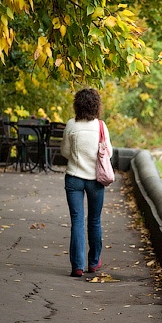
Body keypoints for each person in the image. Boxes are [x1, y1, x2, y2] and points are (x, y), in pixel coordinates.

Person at [59, 87, 111, 277]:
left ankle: (77, 266)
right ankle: (94, 262)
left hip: (74, 178)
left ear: (77, 105)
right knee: (95, 221)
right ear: (96, 105)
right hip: (96, 180)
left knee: (77, 221)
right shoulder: (100, 126)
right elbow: (109, 153)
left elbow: (64, 151)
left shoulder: (71, 125)